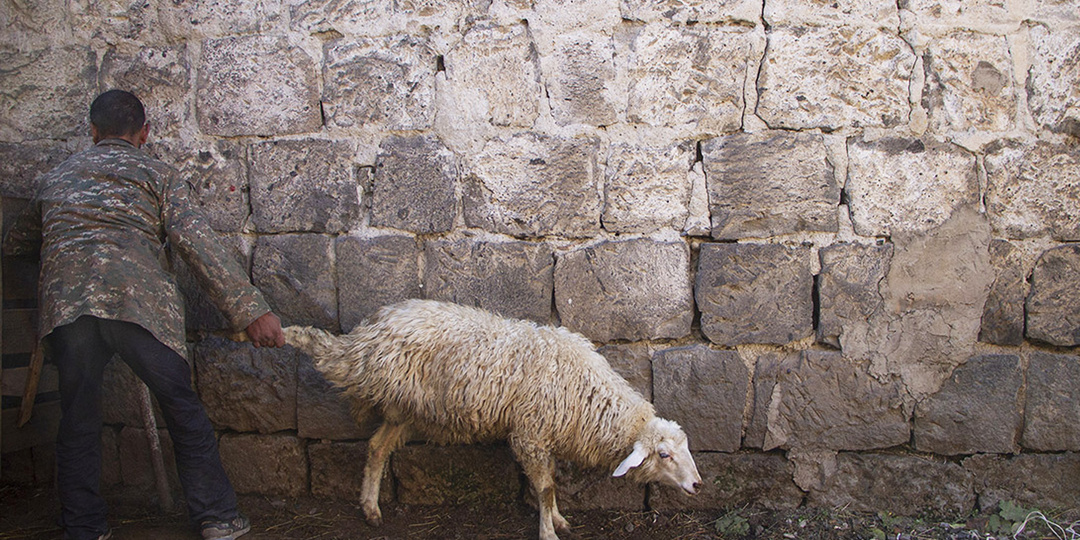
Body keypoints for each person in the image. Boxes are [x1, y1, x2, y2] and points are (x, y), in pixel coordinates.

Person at [3, 89, 285, 540]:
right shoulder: (158, 176)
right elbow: (199, 246)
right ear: (145, 133)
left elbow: (16, 243)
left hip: (69, 311)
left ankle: (84, 527)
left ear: (93, 132)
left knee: (77, 417)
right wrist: (252, 312)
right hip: (140, 308)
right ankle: (217, 517)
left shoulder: (56, 178)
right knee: (182, 409)